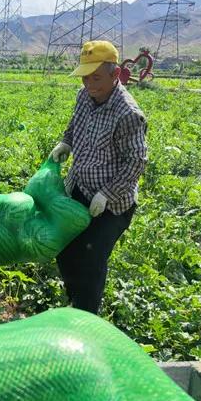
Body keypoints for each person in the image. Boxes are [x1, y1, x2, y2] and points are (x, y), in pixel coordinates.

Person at [49, 40, 147, 314]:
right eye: (85, 78)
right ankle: (73, 303)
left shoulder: (128, 114)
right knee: (65, 249)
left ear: (115, 75)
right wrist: (66, 143)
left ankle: (86, 318)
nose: (89, 84)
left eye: (96, 78)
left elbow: (137, 160)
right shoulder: (84, 97)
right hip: (80, 189)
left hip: (112, 205)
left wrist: (107, 194)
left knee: (91, 258)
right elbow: (74, 126)